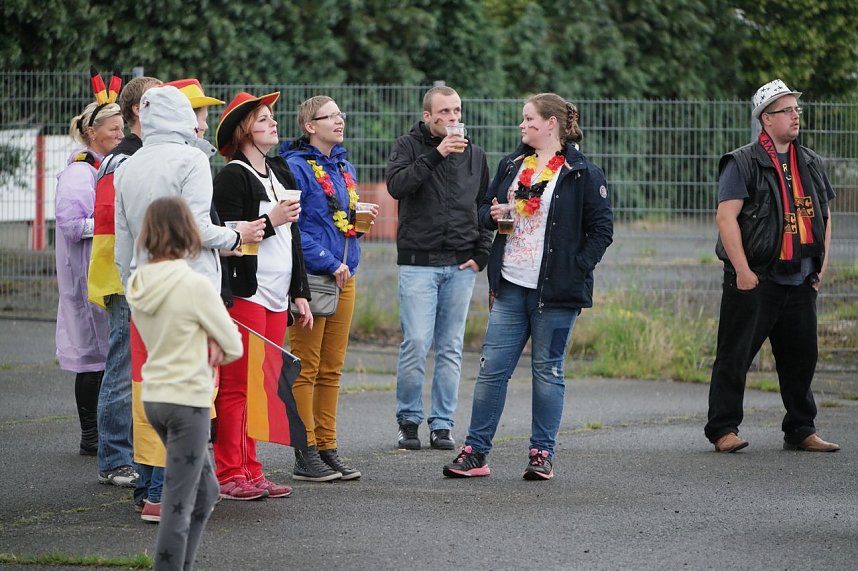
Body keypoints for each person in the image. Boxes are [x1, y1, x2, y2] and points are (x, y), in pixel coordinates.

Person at [443, 93, 613, 480]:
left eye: (529, 119)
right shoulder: (512, 164)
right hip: (511, 283)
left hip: (555, 290)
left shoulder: (582, 172)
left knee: (547, 371)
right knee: (491, 370)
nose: (522, 126)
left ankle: (541, 454)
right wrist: (494, 213)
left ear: (551, 123)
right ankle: (475, 452)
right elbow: (484, 209)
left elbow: (602, 230)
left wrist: (576, 267)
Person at [704, 79, 840, 453]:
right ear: (766, 119)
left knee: (801, 359)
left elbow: (825, 216)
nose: (795, 116)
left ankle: (801, 428)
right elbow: (726, 218)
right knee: (735, 355)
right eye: (786, 110)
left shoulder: (810, 161)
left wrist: (819, 268)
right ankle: (723, 429)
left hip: (800, 278)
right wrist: (744, 271)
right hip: (756, 277)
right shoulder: (742, 161)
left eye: (797, 108)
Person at [126, 78, 226, 523]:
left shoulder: (129, 165)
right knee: (192, 394)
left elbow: (124, 240)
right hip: (187, 287)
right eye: (198, 113)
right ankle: (171, 496)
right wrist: (238, 235)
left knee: (151, 389)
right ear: (185, 117)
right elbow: (198, 229)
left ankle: (151, 490)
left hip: (144, 290)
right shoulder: (191, 159)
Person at [126, 196, 242, 571]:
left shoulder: (138, 283)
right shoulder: (194, 285)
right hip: (187, 401)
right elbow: (233, 345)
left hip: (155, 397)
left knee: (205, 492)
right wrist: (214, 348)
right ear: (188, 230)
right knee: (177, 506)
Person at [212, 91, 312, 498]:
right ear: (244, 130)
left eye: (271, 118)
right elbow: (232, 236)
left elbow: (294, 237)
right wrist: (269, 220)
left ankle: (252, 470)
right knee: (237, 384)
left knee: (261, 385)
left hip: (275, 293)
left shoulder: (280, 172)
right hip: (246, 291)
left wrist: (299, 291)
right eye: (263, 119)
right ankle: (228, 472)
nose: (273, 123)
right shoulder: (231, 176)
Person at [386, 85, 493, 451]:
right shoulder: (408, 147)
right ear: (428, 116)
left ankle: (443, 425)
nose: (452, 119)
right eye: (444, 112)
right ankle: (409, 421)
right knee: (416, 342)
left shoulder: (476, 156)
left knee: (450, 347)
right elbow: (397, 186)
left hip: (460, 265)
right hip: (418, 263)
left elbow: (484, 209)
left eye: (457, 111)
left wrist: (482, 254)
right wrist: (436, 155)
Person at [279, 95, 376, 482]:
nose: (339, 121)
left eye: (341, 115)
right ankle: (306, 451)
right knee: (306, 365)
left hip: (344, 275)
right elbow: (294, 228)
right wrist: (328, 260)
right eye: (330, 116)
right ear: (309, 125)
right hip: (316, 277)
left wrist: (357, 223)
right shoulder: (295, 167)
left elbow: (338, 217)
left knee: (332, 369)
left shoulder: (343, 164)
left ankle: (328, 446)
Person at [88, 75, 162, 496]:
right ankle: (115, 457)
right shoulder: (124, 159)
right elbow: (116, 226)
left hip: (132, 271)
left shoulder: (138, 155)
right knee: (121, 366)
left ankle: (128, 453)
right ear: (141, 109)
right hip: (123, 274)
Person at [55, 99, 123, 457]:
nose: (120, 134)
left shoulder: (102, 167)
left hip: (99, 270)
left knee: (102, 355)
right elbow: (70, 224)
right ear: (91, 133)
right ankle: (91, 436)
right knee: (92, 357)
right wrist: (114, 224)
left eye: (122, 128)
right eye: (113, 128)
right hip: (84, 274)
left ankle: (99, 433)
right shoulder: (80, 173)